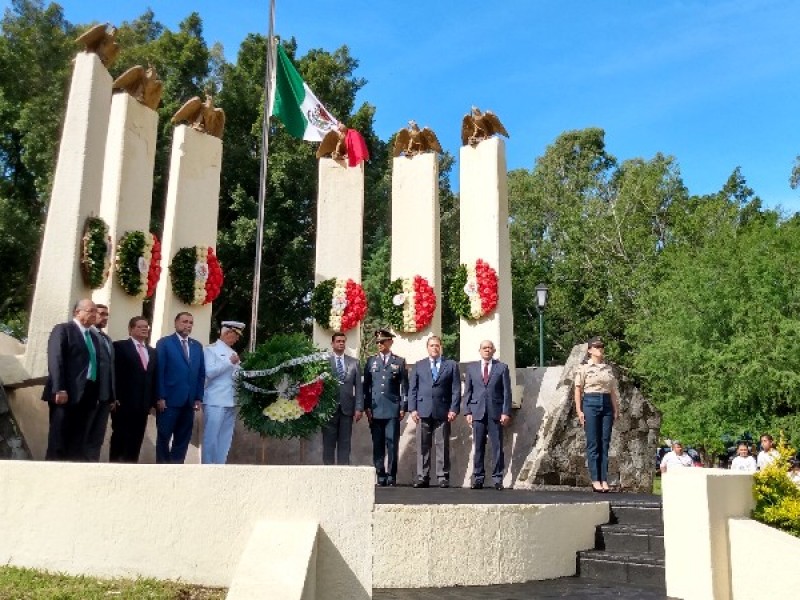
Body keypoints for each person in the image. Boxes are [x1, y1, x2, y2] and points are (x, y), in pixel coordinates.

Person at [42, 299, 105, 460]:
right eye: (91, 311)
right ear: (78, 312)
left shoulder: (93, 337)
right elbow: (56, 359)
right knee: (59, 438)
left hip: (88, 394)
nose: (95, 315)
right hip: (66, 392)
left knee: (78, 440)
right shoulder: (64, 330)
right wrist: (59, 388)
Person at [408, 335, 460, 488]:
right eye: (432, 345)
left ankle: (442, 477)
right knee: (422, 446)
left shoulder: (450, 365)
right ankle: (422, 476)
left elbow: (456, 390)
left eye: (437, 345)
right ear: (427, 348)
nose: (434, 348)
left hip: (443, 411)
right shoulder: (419, 365)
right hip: (423, 411)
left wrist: (454, 409)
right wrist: (412, 409)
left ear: (441, 347)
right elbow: (413, 389)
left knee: (442, 445)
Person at [155, 311, 205, 464]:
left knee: (183, 438)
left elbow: (200, 374)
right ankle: (162, 468)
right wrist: (160, 396)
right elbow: (159, 371)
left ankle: (177, 468)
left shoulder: (196, 346)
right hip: (169, 400)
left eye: (190, 323)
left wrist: (198, 397)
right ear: (176, 323)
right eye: (184, 322)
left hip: (189, 401)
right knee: (164, 436)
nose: (187, 325)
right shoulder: (165, 343)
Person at [463, 339, 512, 490]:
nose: (487, 350)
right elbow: (468, 392)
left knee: (497, 447)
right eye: (484, 348)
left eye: (490, 348)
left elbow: (506, 392)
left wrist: (505, 412)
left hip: (495, 413)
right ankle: (478, 478)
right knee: (478, 447)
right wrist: (467, 411)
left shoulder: (502, 368)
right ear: (480, 350)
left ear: (494, 351)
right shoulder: (471, 368)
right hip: (477, 412)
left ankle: (498, 479)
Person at [574, 336, 620, 492]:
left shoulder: (608, 369)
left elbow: (612, 391)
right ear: (589, 350)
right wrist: (579, 411)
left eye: (601, 347)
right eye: (596, 347)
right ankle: (595, 480)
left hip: (606, 403)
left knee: (605, 443)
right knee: (593, 443)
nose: (600, 349)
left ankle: (604, 479)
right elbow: (578, 389)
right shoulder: (584, 368)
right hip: (591, 402)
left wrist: (615, 409)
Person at [363, 329, 408, 486]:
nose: (379, 345)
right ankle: (380, 474)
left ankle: (391, 475)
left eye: (382, 341)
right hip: (375, 410)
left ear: (390, 342)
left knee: (392, 443)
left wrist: (403, 406)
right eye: (377, 342)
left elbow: (404, 387)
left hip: (392, 409)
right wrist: (366, 406)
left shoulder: (399, 362)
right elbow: (366, 387)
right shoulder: (371, 361)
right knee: (378, 443)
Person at [109, 316, 157, 463]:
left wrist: (153, 401)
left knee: (136, 440)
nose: (144, 329)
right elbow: (114, 373)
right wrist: (114, 396)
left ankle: (132, 468)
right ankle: (115, 468)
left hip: (143, 405)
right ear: (131, 329)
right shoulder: (120, 346)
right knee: (120, 438)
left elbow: (153, 377)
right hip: (123, 403)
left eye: (146, 326)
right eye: (140, 326)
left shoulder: (152, 352)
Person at [202, 320, 245, 464]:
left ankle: (220, 466)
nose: (237, 339)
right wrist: (229, 363)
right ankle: (208, 466)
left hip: (230, 400)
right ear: (227, 333)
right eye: (235, 335)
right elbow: (209, 373)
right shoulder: (210, 350)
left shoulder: (233, 352)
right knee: (211, 437)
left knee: (225, 437)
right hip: (215, 399)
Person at [322, 331, 363, 465]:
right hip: (329, 409)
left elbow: (359, 388)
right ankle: (328, 472)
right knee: (328, 442)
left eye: (343, 341)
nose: (341, 343)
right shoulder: (324, 362)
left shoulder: (354, 363)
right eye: (338, 341)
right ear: (332, 344)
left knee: (345, 443)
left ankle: (343, 472)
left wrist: (359, 408)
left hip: (347, 409)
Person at [83, 303, 116, 461]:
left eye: (106, 315)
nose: (105, 318)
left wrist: (112, 396)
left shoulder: (107, 339)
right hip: (90, 395)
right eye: (101, 314)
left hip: (105, 397)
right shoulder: (87, 335)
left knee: (97, 437)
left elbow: (110, 369)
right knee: (84, 433)